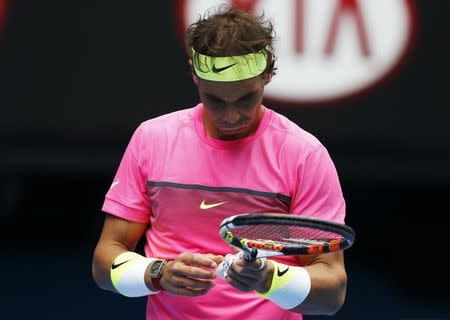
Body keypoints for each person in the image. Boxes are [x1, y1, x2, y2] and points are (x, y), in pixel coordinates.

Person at [92, 5, 348, 320]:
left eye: (245, 99)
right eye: (215, 100)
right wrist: (159, 273)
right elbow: (104, 265)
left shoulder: (305, 155)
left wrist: (268, 278)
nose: (230, 116)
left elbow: (332, 292)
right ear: (194, 75)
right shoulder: (151, 139)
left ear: (267, 74)